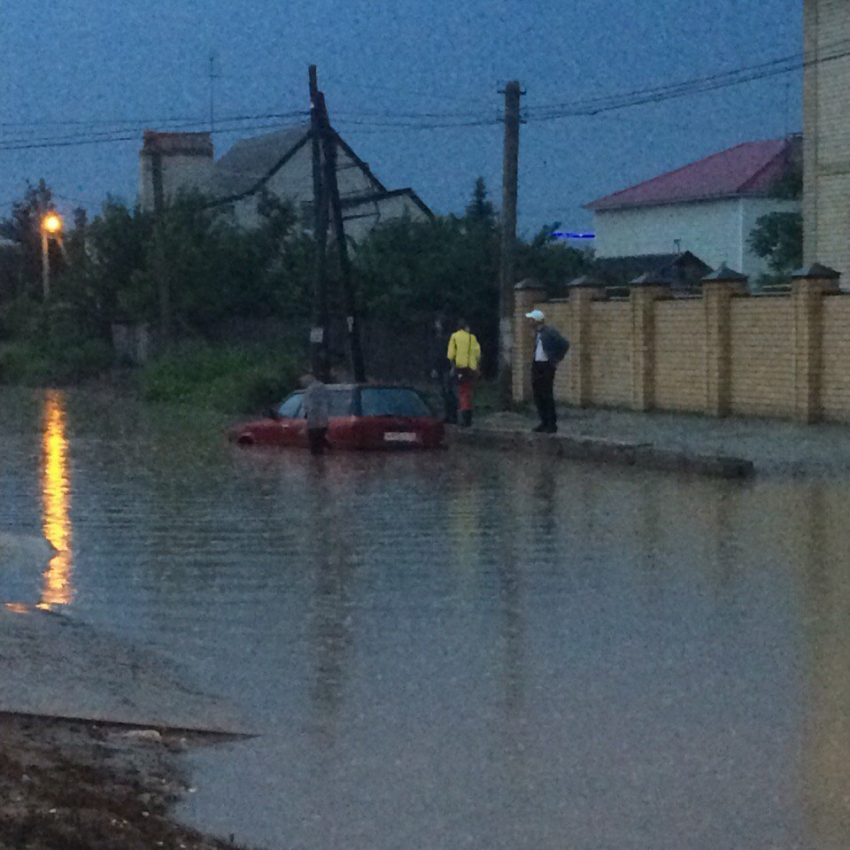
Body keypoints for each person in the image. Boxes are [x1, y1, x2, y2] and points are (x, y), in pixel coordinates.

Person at [525, 309, 569, 433]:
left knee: (546, 394)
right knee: (538, 394)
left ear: (537, 321)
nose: (530, 322)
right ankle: (543, 421)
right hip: (537, 365)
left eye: (532, 319)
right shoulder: (537, 334)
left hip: (546, 366)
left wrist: (556, 358)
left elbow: (564, 343)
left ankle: (551, 423)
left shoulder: (549, 332)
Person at [447, 318, 481, 428]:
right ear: (466, 327)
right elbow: (478, 354)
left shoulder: (454, 337)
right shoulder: (472, 338)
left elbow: (451, 355)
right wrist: (477, 368)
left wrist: (453, 368)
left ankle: (463, 416)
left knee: (460, 392)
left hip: (459, 369)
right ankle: (468, 415)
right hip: (471, 370)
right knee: (468, 392)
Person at [430, 315, 458, 425]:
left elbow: (451, 354)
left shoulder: (448, 338)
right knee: (443, 392)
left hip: (447, 367)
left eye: (438, 323)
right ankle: (448, 414)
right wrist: (434, 368)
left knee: (449, 392)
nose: (436, 325)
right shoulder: (437, 338)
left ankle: (453, 415)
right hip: (440, 367)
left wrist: (452, 367)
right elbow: (434, 354)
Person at [302, 374, 331, 455]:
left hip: (314, 422)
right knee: (320, 442)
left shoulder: (310, 390)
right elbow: (329, 404)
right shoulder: (323, 389)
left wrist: (308, 417)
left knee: (314, 446)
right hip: (324, 421)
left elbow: (310, 407)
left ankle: (318, 464)